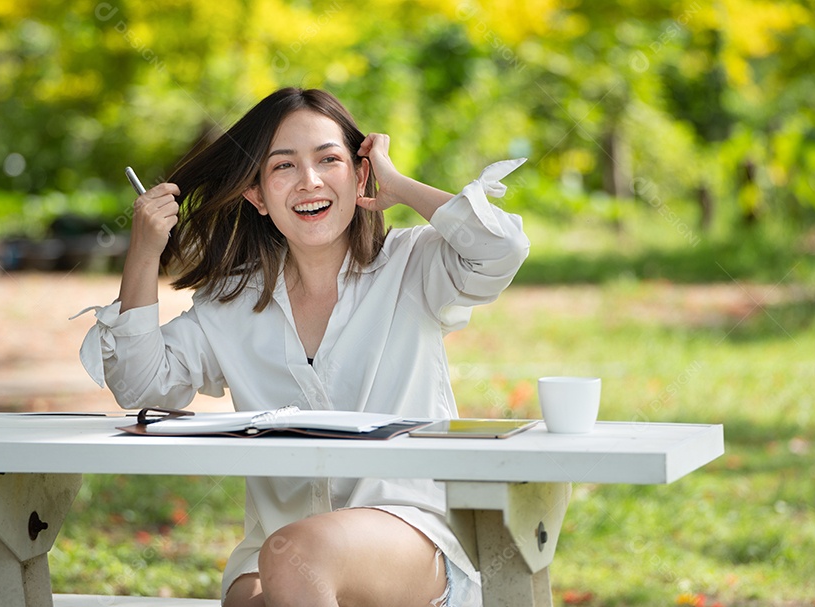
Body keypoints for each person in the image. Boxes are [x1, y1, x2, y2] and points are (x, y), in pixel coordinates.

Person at [76, 87, 529, 607]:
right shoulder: (232, 301)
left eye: (329, 159)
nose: (309, 181)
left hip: (407, 538)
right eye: (283, 166)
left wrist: (399, 184)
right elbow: (141, 384)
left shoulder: (413, 266)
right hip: (273, 549)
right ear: (257, 196)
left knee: (298, 554)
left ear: (360, 176)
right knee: (259, 589)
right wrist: (144, 254)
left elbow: (501, 249)